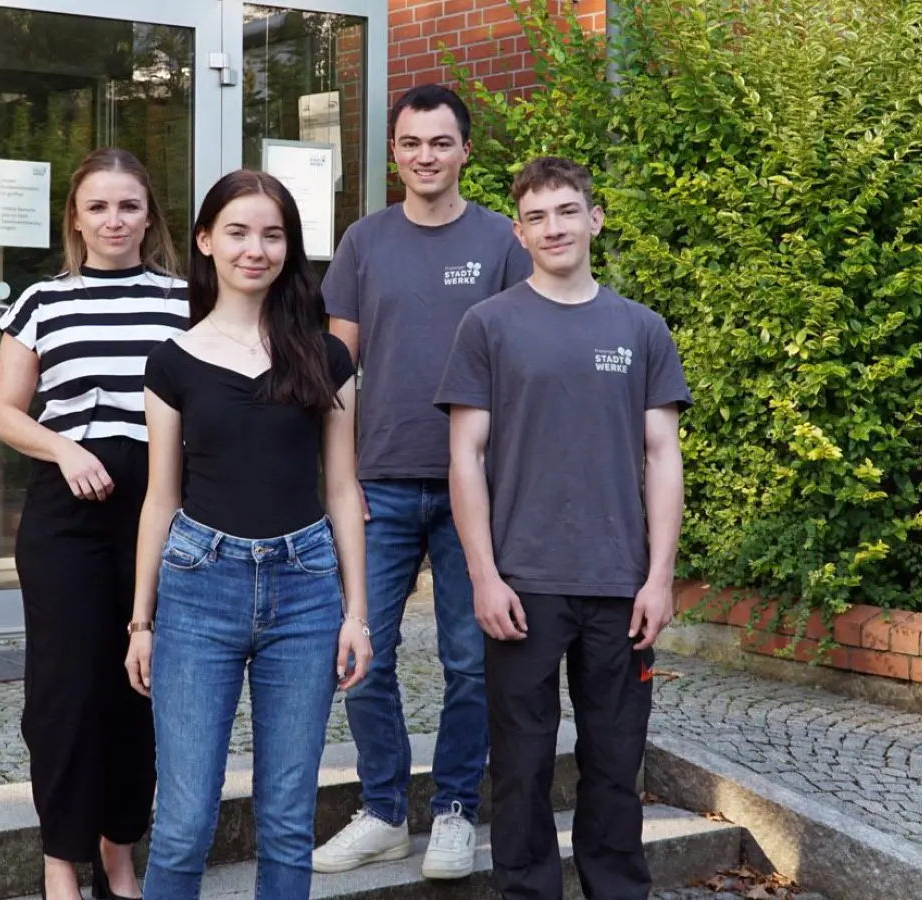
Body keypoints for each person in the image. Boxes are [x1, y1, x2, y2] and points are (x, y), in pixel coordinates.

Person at [436, 156, 689, 900]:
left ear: (594, 217)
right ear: (519, 231)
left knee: (615, 764)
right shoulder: (486, 325)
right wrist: (482, 576)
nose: (554, 228)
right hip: (521, 586)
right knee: (519, 764)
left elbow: (663, 455)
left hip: (620, 586)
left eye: (567, 211)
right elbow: (464, 458)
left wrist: (659, 577)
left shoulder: (640, 329)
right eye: (537, 217)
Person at [125, 169, 372, 900]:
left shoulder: (325, 357)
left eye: (271, 234)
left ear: (289, 247)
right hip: (199, 590)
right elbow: (160, 498)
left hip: (305, 593)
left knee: (289, 819)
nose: (254, 248)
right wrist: (142, 621)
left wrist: (354, 613)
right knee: (183, 822)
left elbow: (340, 489)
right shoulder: (171, 362)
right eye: (236, 231)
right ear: (205, 241)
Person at [314, 82, 532, 880]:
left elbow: (526, 360)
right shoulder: (364, 242)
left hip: (475, 491)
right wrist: (338, 479)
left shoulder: (503, 244)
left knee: (469, 658)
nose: (425, 156)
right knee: (358, 653)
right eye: (411, 144)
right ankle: (380, 811)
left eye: (440, 143)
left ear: (465, 150)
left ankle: (452, 809)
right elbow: (337, 373)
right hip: (379, 484)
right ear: (394, 153)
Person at [0, 147, 187, 900]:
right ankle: (59, 865)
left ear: (148, 217)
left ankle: (118, 855)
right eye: (97, 206)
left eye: (128, 206)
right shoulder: (42, 301)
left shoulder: (184, 301)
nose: (113, 220)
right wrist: (64, 448)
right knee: (65, 694)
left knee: (138, 688)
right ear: (75, 217)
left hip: (158, 508)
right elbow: (5, 412)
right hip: (65, 513)